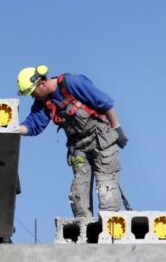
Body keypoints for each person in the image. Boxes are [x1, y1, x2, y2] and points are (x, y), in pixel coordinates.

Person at [15, 65, 129, 218]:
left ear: (41, 84)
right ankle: (87, 237)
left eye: (33, 93)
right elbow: (34, 123)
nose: (33, 97)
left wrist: (117, 128)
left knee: (106, 191)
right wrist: (15, 129)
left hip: (101, 142)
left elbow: (105, 102)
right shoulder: (44, 102)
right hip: (78, 148)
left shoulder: (71, 83)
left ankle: (110, 236)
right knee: (78, 197)